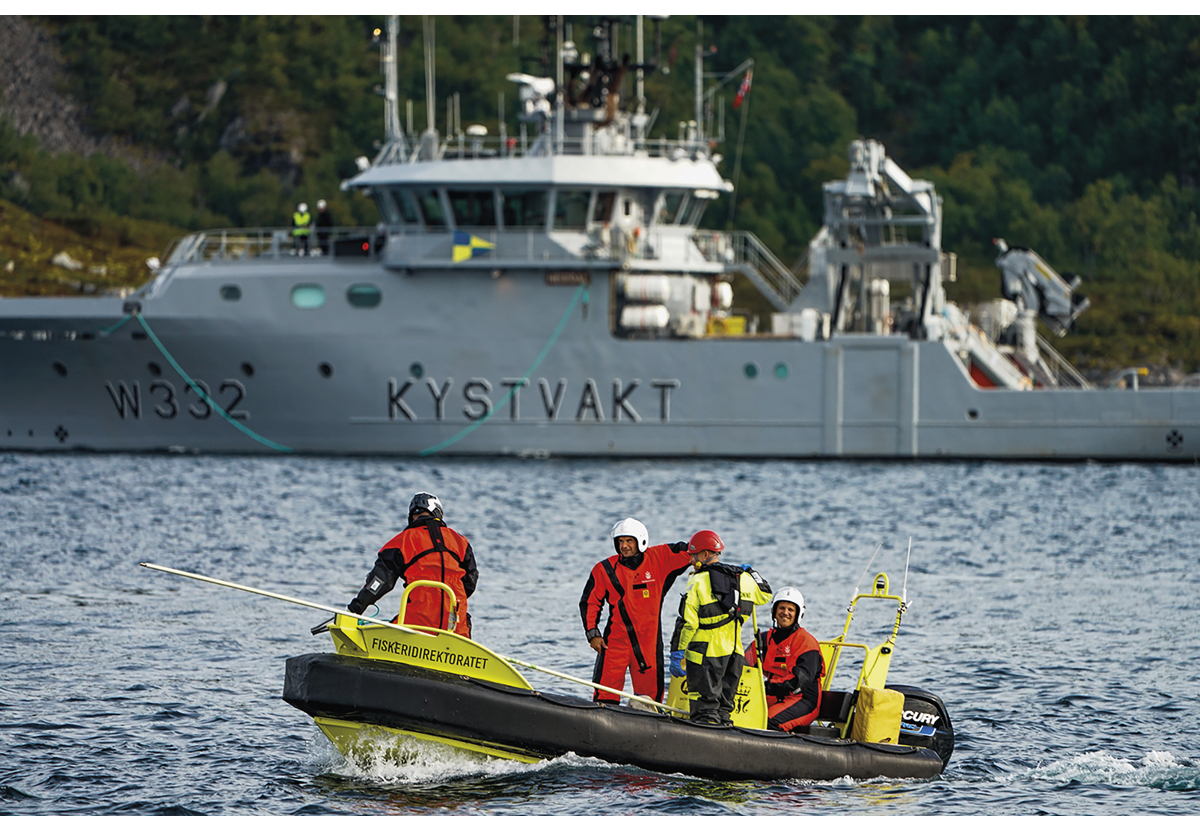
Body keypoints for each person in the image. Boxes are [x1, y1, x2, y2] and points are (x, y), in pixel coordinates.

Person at [579, 518, 692, 705]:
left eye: (629, 541)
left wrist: (719, 565)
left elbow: (692, 550)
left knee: (650, 700)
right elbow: (590, 602)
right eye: (620, 541)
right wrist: (592, 633)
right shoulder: (604, 569)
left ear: (641, 540)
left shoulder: (659, 559)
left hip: (649, 643)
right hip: (615, 642)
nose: (624, 546)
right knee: (605, 695)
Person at [670, 530, 772, 725]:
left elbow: (688, 622)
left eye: (693, 555)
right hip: (734, 654)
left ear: (705, 554)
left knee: (704, 710)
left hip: (705, 655)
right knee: (724, 709)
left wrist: (677, 651)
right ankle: (724, 736)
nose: (691, 560)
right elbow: (765, 593)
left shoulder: (697, 581)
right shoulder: (743, 578)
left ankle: (704, 739)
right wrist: (752, 573)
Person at [347, 492, 478, 638]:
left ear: (411, 516)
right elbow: (470, 582)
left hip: (417, 627)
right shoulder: (460, 542)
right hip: (456, 631)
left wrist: (355, 609)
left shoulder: (402, 541)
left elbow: (380, 582)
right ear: (438, 513)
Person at [745, 587, 824, 731]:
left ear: (798, 614)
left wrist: (765, 687)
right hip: (770, 696)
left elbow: (798, 682)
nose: (785, 613)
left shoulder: (807, 642)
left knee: (768, 722)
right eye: (781, 608)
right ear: (774, 611)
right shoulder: (764, 640)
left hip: (802, 700)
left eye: (790, 610)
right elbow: (743, 665)